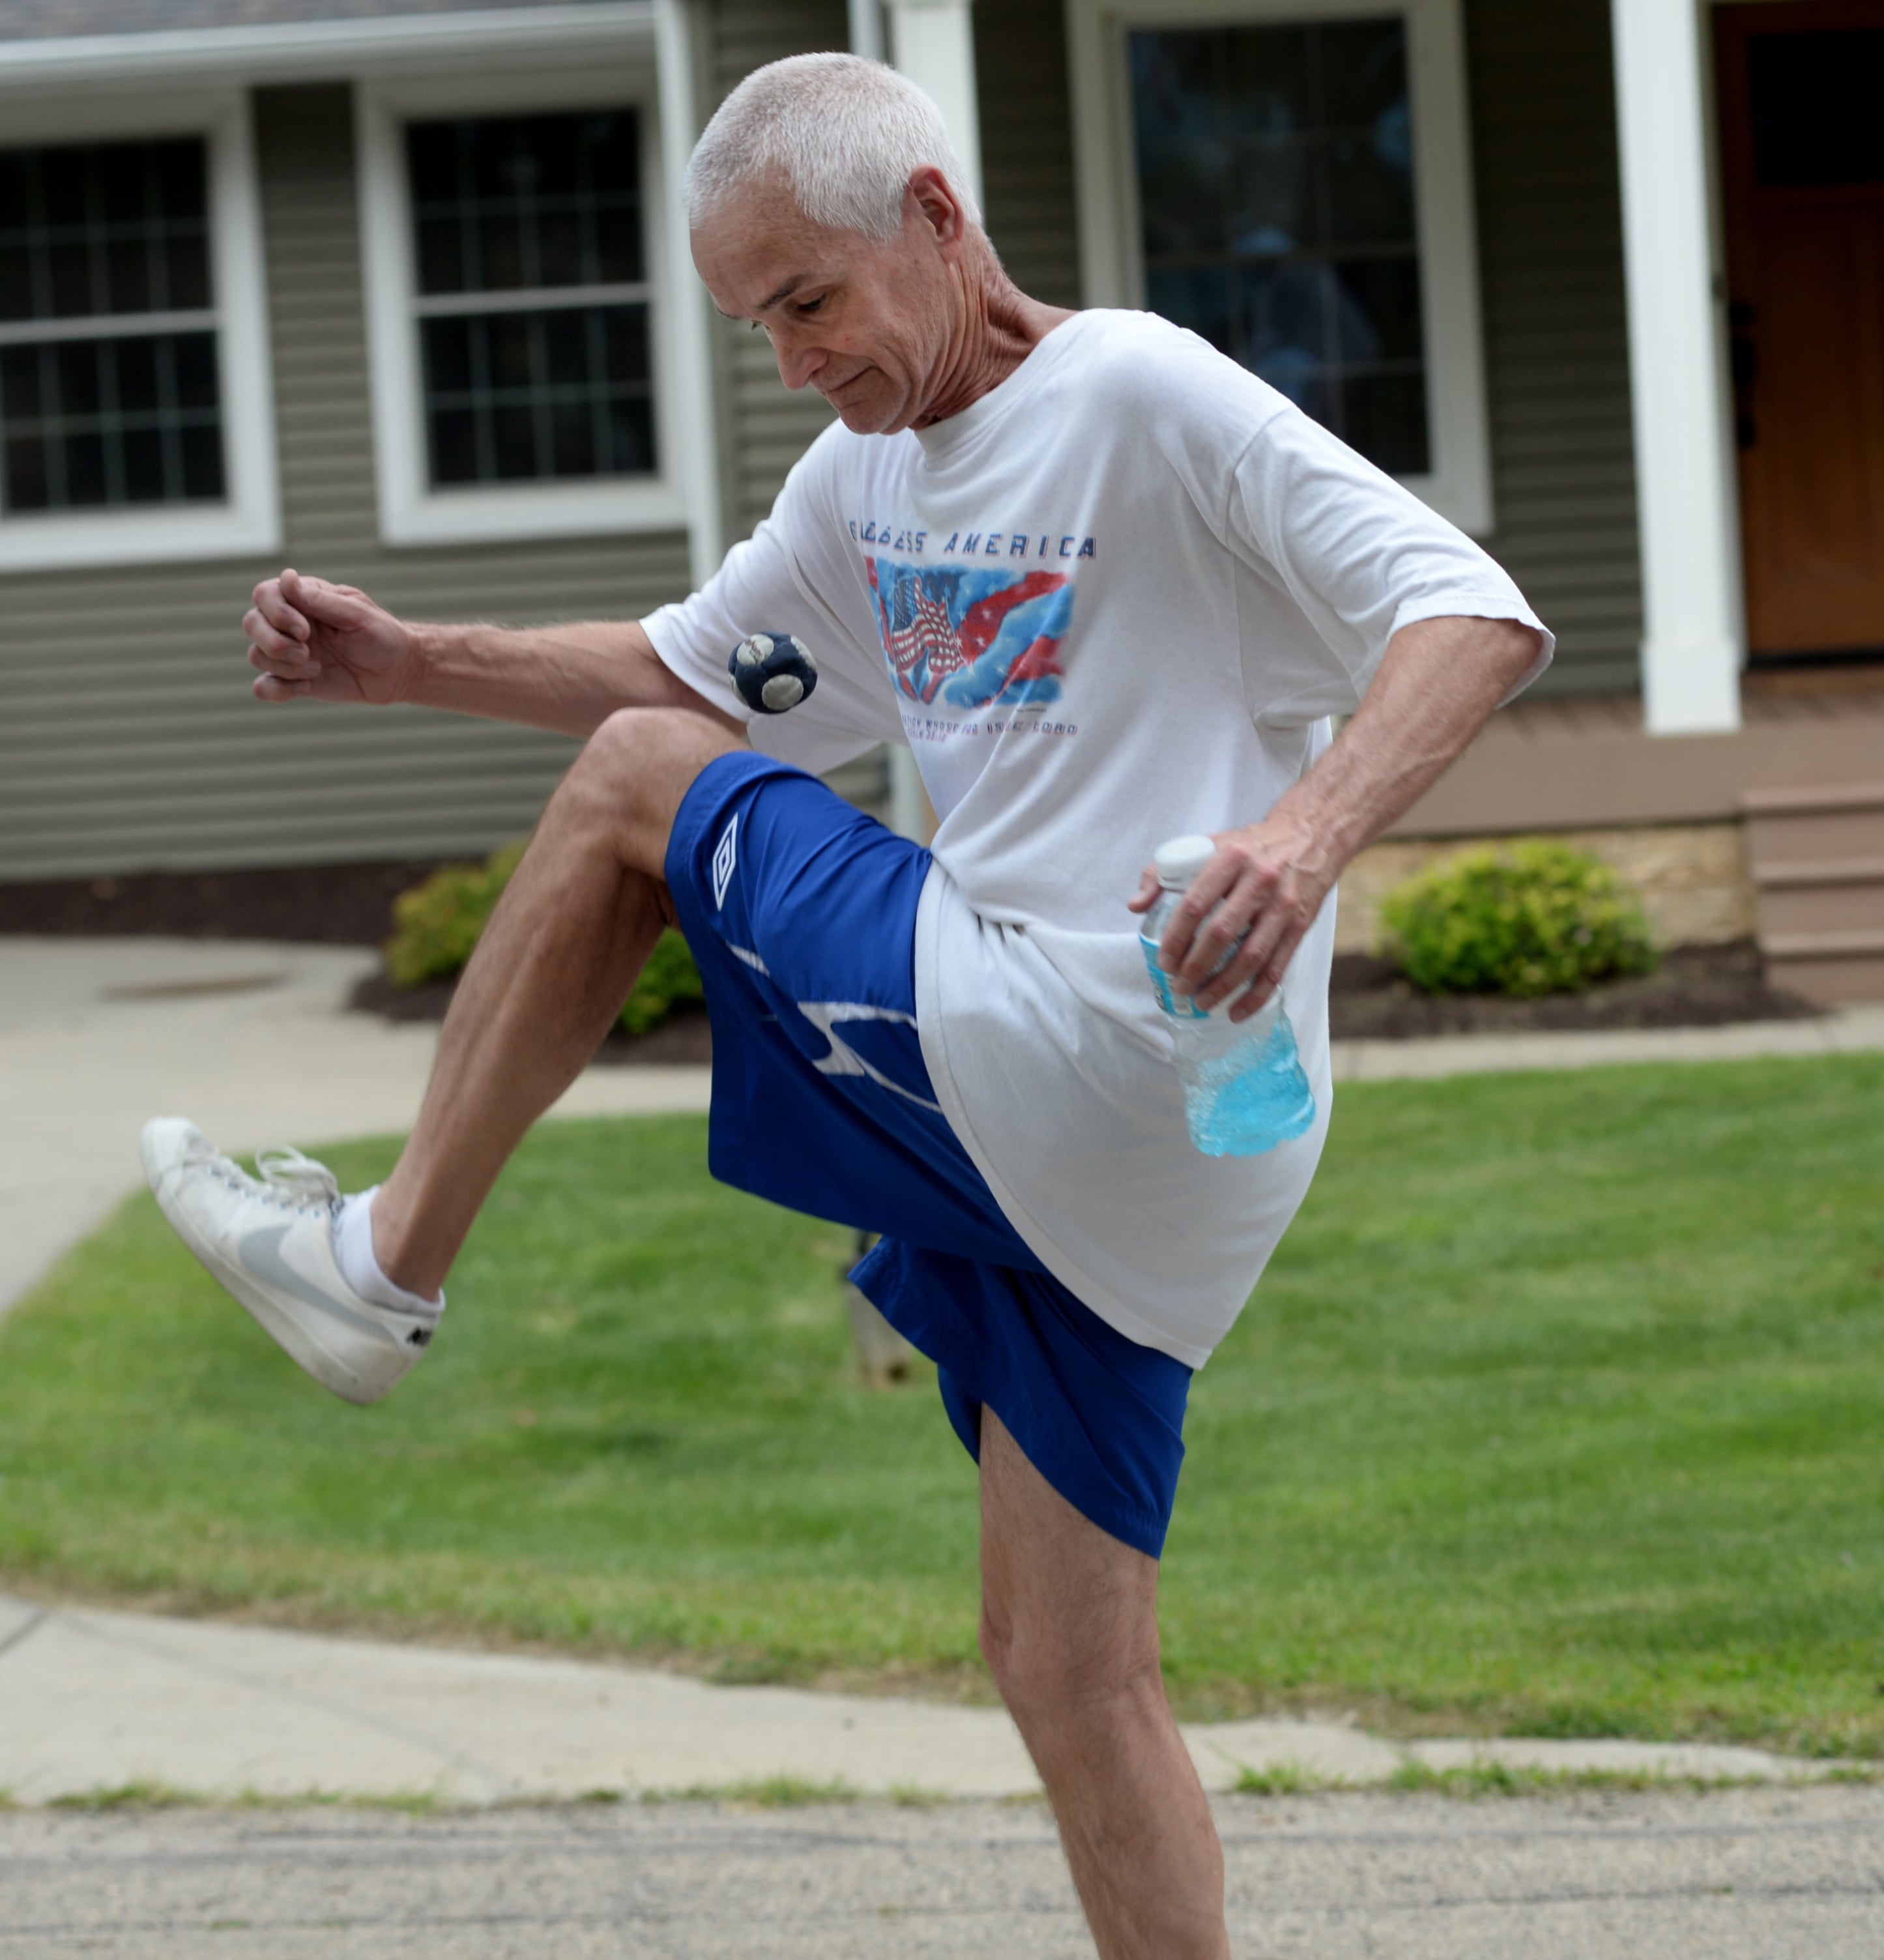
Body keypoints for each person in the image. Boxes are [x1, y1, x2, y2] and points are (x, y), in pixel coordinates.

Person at [141, 53, 1549, 1960]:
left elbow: (1468, 609)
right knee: (1069, 1670)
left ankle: (378, 1267)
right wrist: (409, 664)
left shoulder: (1132, 390)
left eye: (807, 299)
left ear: (938, 219)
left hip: (1108, 1033)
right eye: (752, 325)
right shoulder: (866, 476)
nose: (790, 356)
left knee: (642, 783)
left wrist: (1299, 837)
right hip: (1159, 1153)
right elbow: (687, 663)